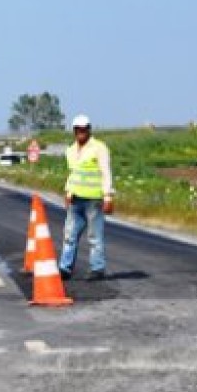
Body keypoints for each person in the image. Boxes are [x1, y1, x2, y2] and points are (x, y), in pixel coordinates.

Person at [58, 114, 114, 281]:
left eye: (84, 129)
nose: (81, 132)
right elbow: (73, 174)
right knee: (69, 235)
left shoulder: (99, 148)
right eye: (78, 129)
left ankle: (97, 268)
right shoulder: (71, 150)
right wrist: (68, 192)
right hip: (75, 199)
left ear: (89, 129)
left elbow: (106, 172)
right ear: (74, 130)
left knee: (94, 236)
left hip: (93, 200)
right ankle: (65, 268)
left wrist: (108, 196)